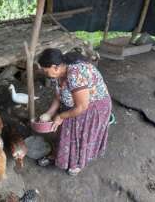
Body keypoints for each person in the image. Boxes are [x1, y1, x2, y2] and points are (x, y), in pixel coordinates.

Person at [37, 48, 112, 176]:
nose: (44, 73)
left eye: (45, 70)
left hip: (93, 107)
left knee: (81, 135)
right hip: (75, 104)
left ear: (55, 67)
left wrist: (60, 116)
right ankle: (57, 154)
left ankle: (77, 163)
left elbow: (82, 106)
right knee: (65, 132)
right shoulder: (58, 74)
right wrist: (49, 113)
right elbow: (58, 96)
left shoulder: (76, 75)